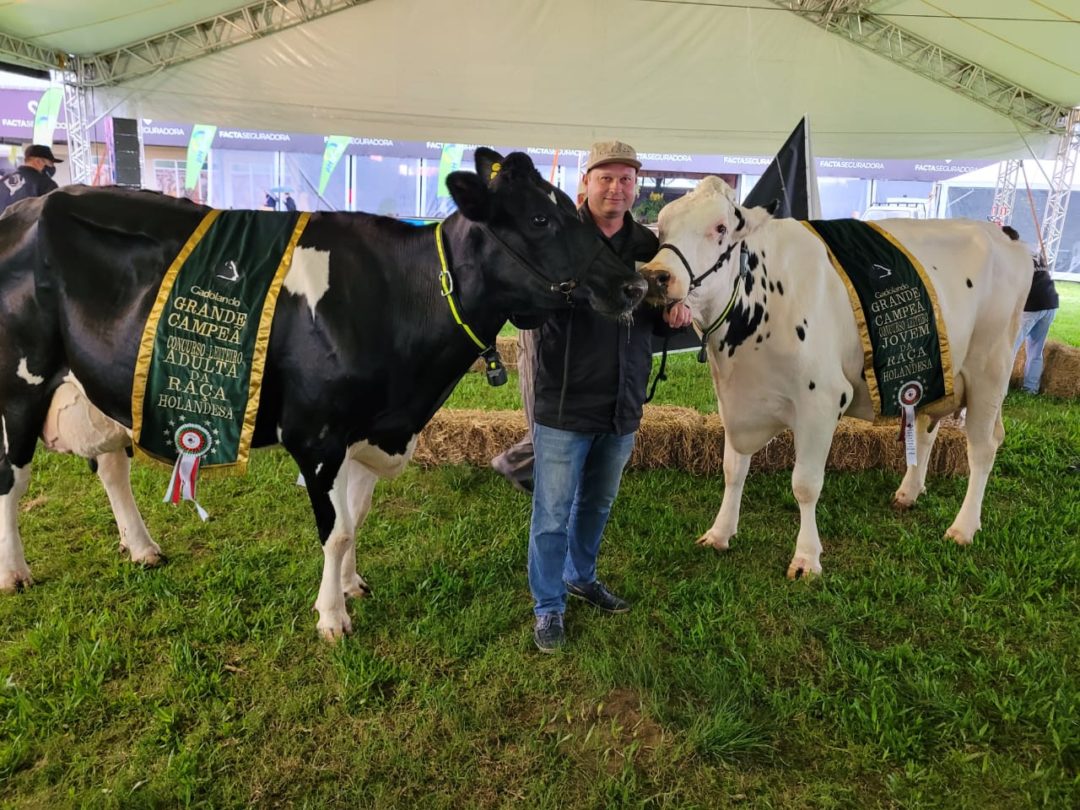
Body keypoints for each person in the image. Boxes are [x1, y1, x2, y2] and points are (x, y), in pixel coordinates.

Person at [528, 140, 692, 653]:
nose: (617, 188)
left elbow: (657, 321)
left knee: (597, 503)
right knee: (552, 513)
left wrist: (673, 318)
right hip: (564, 400)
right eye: (606, 178)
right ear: (586, 182)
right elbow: (524, 312)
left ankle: (582, 577)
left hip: (623, 400)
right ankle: (548, 605)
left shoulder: (649, 248)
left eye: (626, 179)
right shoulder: (556, 239)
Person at [1004, 226, 1059, 394]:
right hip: (1050, 303)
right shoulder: (1031, 249)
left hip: (1032, 305)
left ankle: (999, 389)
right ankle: (1031, 389)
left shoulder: (1012, 254)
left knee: (1008, 349)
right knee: (1036, 351)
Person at [0, 144, 61, 213]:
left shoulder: (3, 181)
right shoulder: (45, 183)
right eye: (50, 163)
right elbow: (56, 212)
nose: (52, 167)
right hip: (27, 223)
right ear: (38, 161)